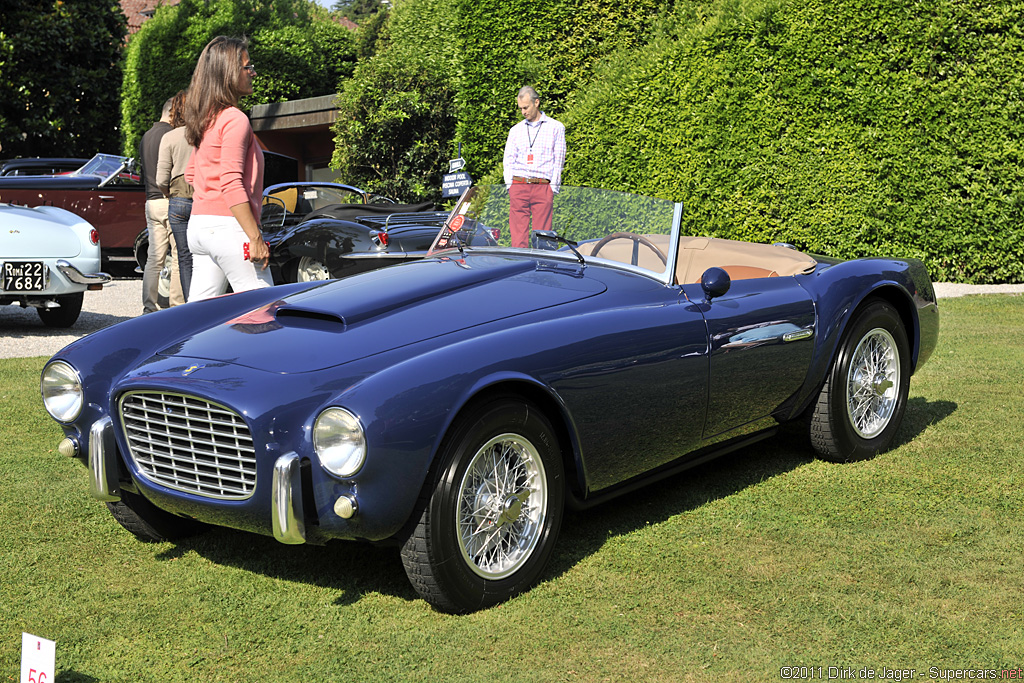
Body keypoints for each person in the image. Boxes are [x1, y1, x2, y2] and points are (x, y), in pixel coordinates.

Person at [183, 36, 272, 301]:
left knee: (197, 318)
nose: (253, 72)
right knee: (266, 311)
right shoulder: (235, 119)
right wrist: (255, 237)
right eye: (248, 67)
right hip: (229, 227)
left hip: (199, 226)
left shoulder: (207, 118)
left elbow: (191, 174)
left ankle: (179, 345)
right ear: (229, 73)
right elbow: (231, 183)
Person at [502, 86, 566, 248]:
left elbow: (558, 160)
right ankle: (519, 266)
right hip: (519, 183)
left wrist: (553, 188)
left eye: (526, 107)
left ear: (536, 103)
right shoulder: (515, 130)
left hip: (543, 185)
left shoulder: (556, 127)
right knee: (518, 235)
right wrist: (510, 186)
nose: (523, 112)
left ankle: (543, 266)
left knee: (543, 234)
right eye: (521, 108)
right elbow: (508, 159)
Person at [139, 97, 184, 312]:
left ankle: (149, 306)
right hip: (168, 199)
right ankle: (176, 306)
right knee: (177, 256)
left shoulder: (146, 136)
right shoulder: (171, 135)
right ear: (173, 112)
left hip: (150, 202)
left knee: (154, 258)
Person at [156, 90, 195, 302]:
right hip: (202, 199)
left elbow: (161, 179)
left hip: (178, 200)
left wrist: (168, 194)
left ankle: (191, 306)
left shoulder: (169, 137)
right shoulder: (203, 134)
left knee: (185, 256)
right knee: (205, 256)